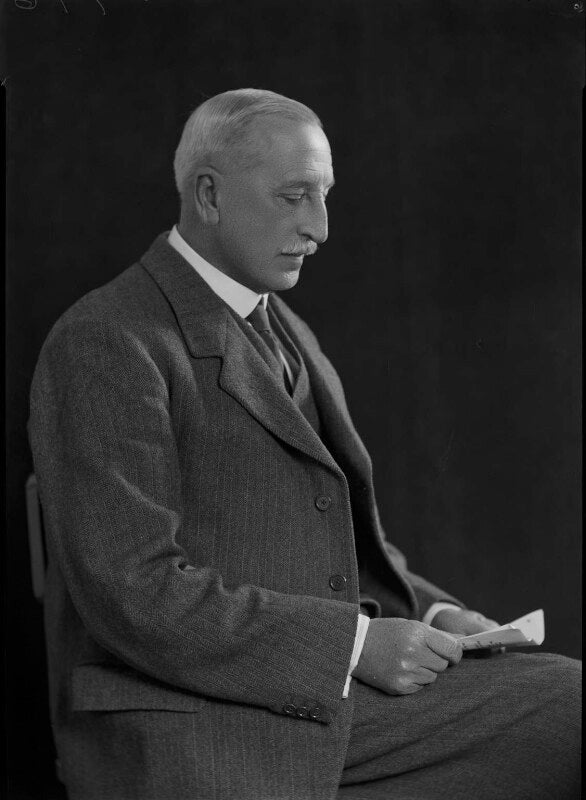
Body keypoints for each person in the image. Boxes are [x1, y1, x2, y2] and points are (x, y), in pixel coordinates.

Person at [29, 89, 580, 800]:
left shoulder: (285, 327)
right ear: (209, 195)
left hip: (300, 704)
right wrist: (352, 647)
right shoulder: (106, 340)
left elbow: (329, 554)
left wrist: (435, 614)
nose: (318, 228)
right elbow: (131, 590)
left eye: (323, 196)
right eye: (293, 197)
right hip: (192, 722)